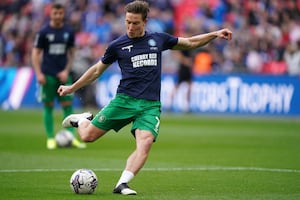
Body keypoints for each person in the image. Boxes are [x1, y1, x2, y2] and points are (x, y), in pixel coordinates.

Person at [58, 0, 232, 195]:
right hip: (124, 101)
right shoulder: (117, 45)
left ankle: (122, 184)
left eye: (135, 23)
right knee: (87, 136)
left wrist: (215, 34)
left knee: (146, 141)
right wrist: (72, 88)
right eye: (128, 22)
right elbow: (97, 70)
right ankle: (82, 120)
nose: (130, 27)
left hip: (150, 106)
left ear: (145, 22)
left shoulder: (158, 39)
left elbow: (189, 42)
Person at [31, 3, 87, 150]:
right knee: (48, 106)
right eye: (55, 13)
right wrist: (38, 73)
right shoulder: (43, 32)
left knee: (68, 107)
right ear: (51, 14)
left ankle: (70, 137)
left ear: (63, 14)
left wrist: (66, 70)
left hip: (63, 76)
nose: (58, 16)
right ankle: (50, 138)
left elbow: (72, 53)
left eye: (60, 13)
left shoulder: (68, 31)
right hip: (47, 75)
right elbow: (36, 53)